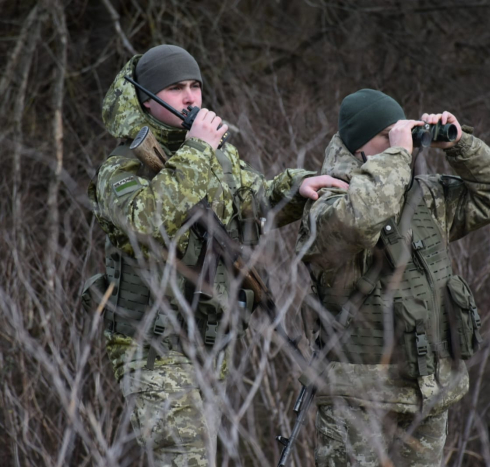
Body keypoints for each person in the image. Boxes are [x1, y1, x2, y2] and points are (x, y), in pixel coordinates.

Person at [86, 44, 346, 466]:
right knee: (183, 457)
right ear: (146, 97)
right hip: (153, 343)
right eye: (175, 89)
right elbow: (146, 223)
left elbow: (250, 197)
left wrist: (295, 187)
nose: (191, 98)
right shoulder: (122, 167)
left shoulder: (216, 154)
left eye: (195, 86)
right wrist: (198, 150)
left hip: (210, 341)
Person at [295, 89, 490, 466]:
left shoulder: (425, 197)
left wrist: (460, 145)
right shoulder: (326, 203)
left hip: (427, 387)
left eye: (402, 134)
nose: (402, 143)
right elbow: (362, 219)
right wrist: (398, 155)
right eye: (387, 135)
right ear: (358, 145)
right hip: (359, 395)